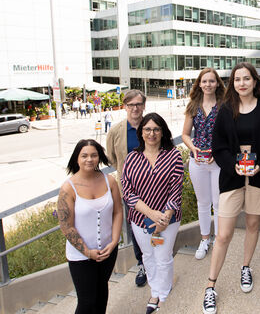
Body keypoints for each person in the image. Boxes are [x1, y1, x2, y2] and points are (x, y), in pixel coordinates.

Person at [202, 62, 260, 314]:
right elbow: (219, 146)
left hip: (259, 174)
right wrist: (231, 166)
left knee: (252, 225)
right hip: (232, 176)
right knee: (223, 234)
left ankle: (245, 267)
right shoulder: (226, 110)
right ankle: (210, 285)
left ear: (255, 81)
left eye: (247, 79)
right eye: (237, 79)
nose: (242, 84)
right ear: (233, 83)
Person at [122, 112, 184, 313]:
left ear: (163, 132)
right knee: (148, 256)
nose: (151, 133)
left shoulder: (173, 155)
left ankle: (162, 293)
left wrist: (163, 217)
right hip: (140, 220)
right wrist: (151, 214)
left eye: (156, 129)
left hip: (169, 219)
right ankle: (155, 290)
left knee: (164, 256)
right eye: (147, 129)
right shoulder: (132, 158)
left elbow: (176, 189)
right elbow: (127, 192)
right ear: (141, 132)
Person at [57, 139, 123, 314]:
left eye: (94, 155)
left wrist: (115, 241)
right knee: (87, 302)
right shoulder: (68, 188)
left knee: (102, 293)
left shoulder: (110, 181)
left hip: (108, 251)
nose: (89, 159)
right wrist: (87, 252)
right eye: (84, 155)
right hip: (81, 256)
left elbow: (117, 212)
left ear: (99, 157)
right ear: (76, 159)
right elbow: (66, 226)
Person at [182, 68, 225, 260]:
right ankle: (204, 239)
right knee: (203, 202)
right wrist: (194, 148)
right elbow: (184, 134)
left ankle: (218, 238)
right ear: (199, 84)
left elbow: (229, 134)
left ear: (217, 83)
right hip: (197, 160)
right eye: (204, 81)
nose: (208, 85)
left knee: (218, 202)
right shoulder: (193, 105)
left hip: (218, 161)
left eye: (212, 81)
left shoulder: (225, 105)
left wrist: (217, 152)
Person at [106, 89, 148, 287]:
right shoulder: (115, 131)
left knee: (157, 221)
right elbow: (113, 159)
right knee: (135, 227)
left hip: (154, 186)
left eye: (138, 104)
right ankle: (142, 263)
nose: (135, 108)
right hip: (130, 189)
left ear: (144, 106)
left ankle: (158, 259)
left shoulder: (153, 124)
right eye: (131, 105)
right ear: (125, 107)